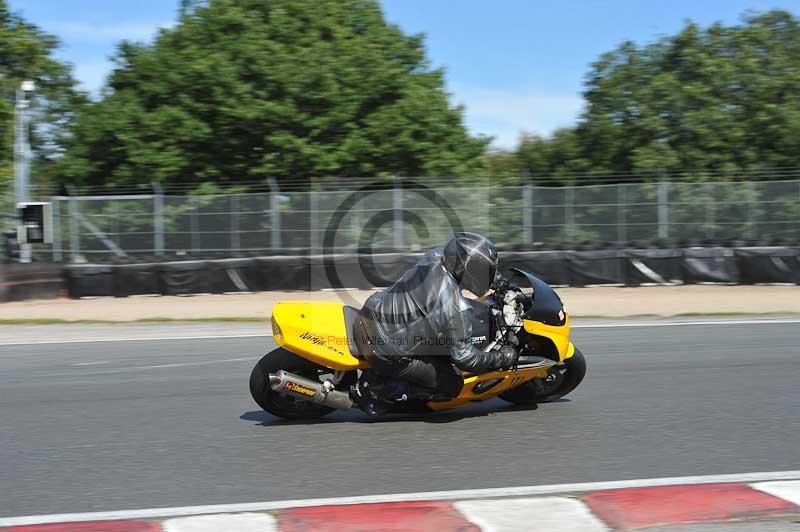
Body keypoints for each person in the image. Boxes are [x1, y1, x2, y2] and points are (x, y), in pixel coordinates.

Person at [352, 232, 517, 416]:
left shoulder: (435, 257)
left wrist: (497, 281)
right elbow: (466, 358)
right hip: (385, 352)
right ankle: (378, 390)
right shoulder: (455, 307)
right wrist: (501, 358)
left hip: (371, 312)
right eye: (483, 271)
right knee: (453, 383)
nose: (484, 275)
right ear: (469, 270)